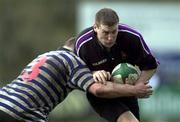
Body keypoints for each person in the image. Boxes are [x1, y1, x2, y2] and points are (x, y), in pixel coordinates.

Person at [0, 37, 153, 122]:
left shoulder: (47, 55)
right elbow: (98, 90)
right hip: (22, 114)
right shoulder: (74, 62)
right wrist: (133, 89)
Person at [75, 8, 158, 122]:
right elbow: (75, 75)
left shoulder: (132, 37)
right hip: (102, 95)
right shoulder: (83, 44)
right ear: (95, 27)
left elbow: (151, 65)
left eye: (114, 31)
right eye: (105, 32)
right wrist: (93, 73)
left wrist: (138, 85)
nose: (110, 37)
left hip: (128, 92)